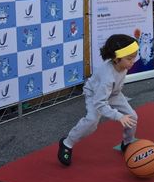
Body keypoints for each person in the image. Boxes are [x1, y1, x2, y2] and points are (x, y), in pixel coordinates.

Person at [57, 34, 139, 166]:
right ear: (116, 59)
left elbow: (113, 92)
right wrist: (118, 116)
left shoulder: (123, 65)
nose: (132, 61)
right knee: (92, 121)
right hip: (95, 95)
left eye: (134, 57)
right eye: (129, 58)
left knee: (132, 117)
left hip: (113, 94)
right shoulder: (107, 77)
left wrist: (123, 115)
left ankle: (127, 143)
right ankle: (67, 143)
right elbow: (100, 103)